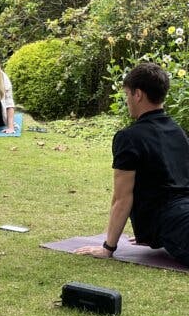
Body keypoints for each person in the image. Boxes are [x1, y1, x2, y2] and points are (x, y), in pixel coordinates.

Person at [76, 63, 189, 266]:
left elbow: (122, 197)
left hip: (173, 222)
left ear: (138, 94)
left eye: (127, 94)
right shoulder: (177, 130)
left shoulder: (128, 137)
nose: (127, 100)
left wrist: (108, 247)